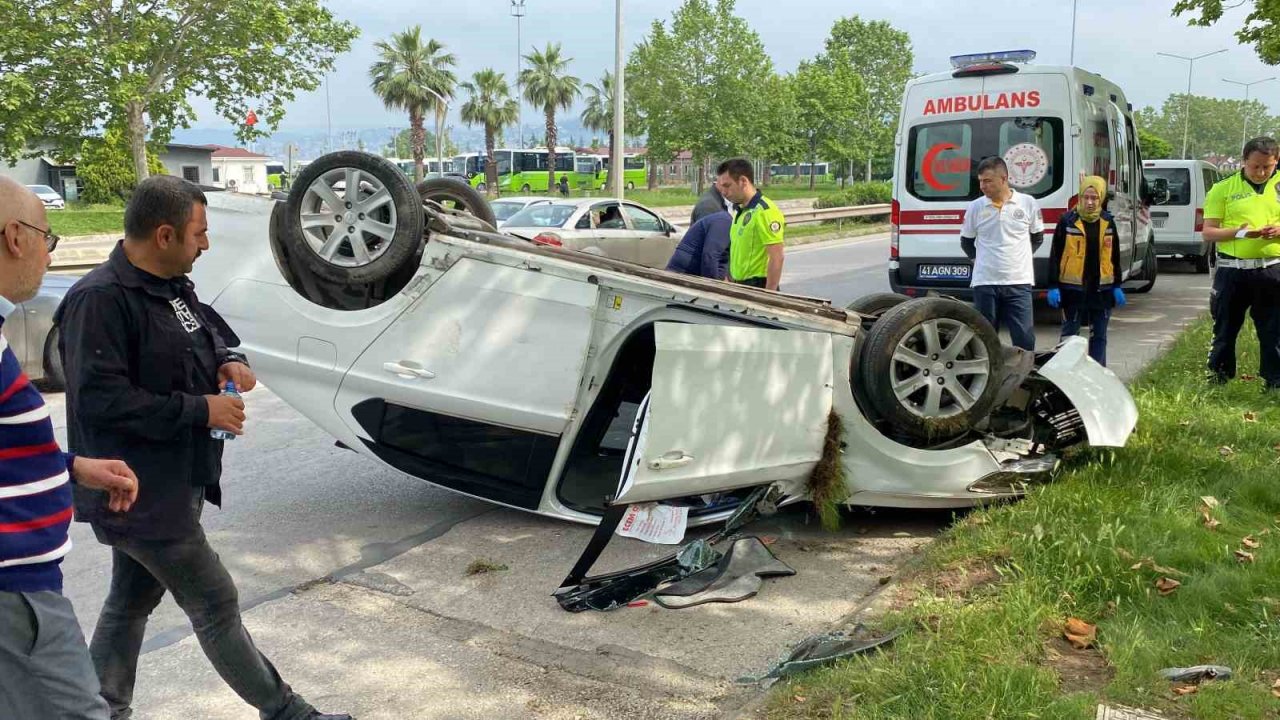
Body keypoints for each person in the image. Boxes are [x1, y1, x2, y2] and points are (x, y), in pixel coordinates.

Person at [55, 175, 353, 720]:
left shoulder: (172, 286)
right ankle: (289, 714)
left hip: (178, 481)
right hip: (138, 494)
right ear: (164, 235)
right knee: (215, 603)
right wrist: (201, 410)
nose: (206, 245)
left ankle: (101, 710)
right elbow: (100, 402)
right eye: (200, 234)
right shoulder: (98, 301)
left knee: (130, 603)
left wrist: (228, 359)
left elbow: (207, 331)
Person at [0, 178, 140, 720]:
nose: (47, 252)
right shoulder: (98, 297)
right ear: (16, 236)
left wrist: (72, 467)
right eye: (47, 237)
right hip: (16, 593)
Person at [1202, 136, 1280, 389]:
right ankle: (1218, 379)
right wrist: (1237, 232)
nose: (1261, 172)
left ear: (1276, 162)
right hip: (1232, 271)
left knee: (1273, 330)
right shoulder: (1222, 189)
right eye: (1255, 166)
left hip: (1271, 269)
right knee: (1225, 329)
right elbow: (1208, 232)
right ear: (1244, 161)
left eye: (1267, 167)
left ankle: (1274, 382)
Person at [960, 156, 1044, 351]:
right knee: (984, 340)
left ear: (1004, 179)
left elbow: (1037, 237)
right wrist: (979, 260)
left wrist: (1018, 257)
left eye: (987, 181)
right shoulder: (975, 207)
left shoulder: (1027, 203)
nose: (982, 186)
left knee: (1024, 338)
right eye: (980, 181)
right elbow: (966, 242)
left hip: (1018, 282)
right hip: (985, 283)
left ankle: (1024, 378)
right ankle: (989, 379)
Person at [1046, 176, 1126, 366]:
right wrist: (1052, 286)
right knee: (1069, 336)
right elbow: (1055, 255)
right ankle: (1064, 374)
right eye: (1086, 197)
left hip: (1102, 290)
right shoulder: (1067, 221)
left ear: (1101, 199)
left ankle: (1098, 375)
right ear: (1080, 198)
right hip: (1072, 290)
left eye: (1095, 198)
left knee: (1099, 336)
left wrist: (1117, 285)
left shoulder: (1108, 222)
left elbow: (1114, 257)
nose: (1090, 202)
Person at [715, 158, 786, 290]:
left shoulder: (765, 211)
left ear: (743, 181)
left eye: (727, 186)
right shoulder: (741, 211)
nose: (723, 192)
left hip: (757, 287)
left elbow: (777, 257)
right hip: (738, 285)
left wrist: (768, 295)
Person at [665, 210, 731, 279]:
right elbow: (710, 257)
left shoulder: (722, 220)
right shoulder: (724, 222)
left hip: (684, 273)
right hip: (684, 275)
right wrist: (714, 285)